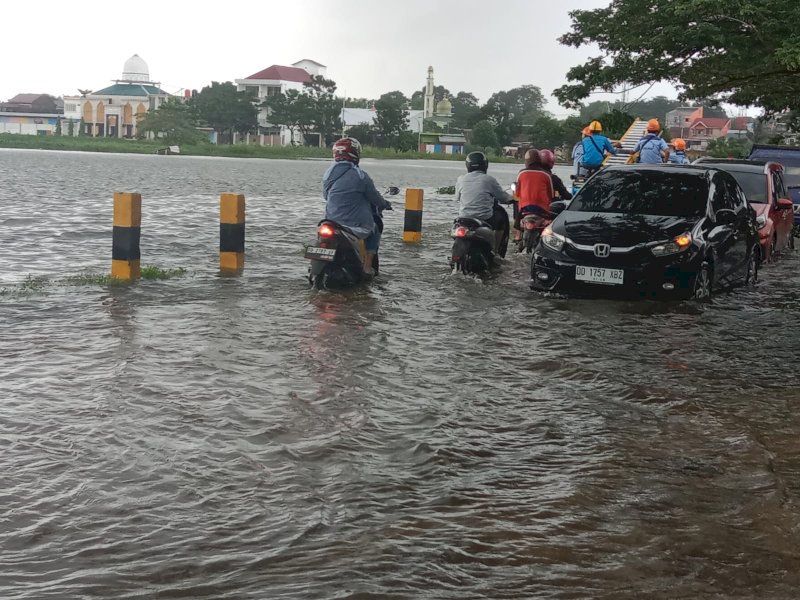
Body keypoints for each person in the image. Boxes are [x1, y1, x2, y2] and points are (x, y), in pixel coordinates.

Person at [323, 137, 392, 276]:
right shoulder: (360, 176)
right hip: (354, 224)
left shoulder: (328, 174)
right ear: (355, 153)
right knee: (374, 229)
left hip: (331, 222)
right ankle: (367, 267)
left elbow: (326, 196)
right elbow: (375, 198)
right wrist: (385, 204)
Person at [456, 151, 513, 254]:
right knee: (501, 220)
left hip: (463, 218)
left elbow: (457, 198)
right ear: (485, 165)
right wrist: (513, 198)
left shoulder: (461, 179)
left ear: (467, 165)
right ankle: (495, 251)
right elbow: (503, 198)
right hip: (485, 218)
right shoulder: (489, 180)